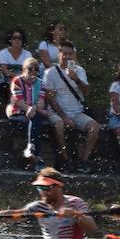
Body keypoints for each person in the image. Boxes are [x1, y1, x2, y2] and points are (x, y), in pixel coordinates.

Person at [41, 42, 100, 173]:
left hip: (77, 112)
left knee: (94, 127)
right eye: (64, 53)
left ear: (74, 55)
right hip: (57, 112)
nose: (67, 57)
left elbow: (86, 93)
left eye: (70, 54)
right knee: (59, 125)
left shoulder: (79, 71)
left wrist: (76, 79)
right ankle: (66, 160)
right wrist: (64, 116)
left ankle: (83, 160)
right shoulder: (50, 73)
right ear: (59, 54)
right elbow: (50, 98)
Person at [8, 58, 53, 171]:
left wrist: (34, 108)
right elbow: (19, 102)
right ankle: (36, 155)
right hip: (18, 111)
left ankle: (31, 150)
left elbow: (41, 102)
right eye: (30, 69)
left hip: (34, 111)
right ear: (24, 69)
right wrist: (30, 109)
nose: (32, 72)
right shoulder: (17, 81)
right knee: (35, 119)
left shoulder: (41, 83)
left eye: (36, 69)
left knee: (35, 118)